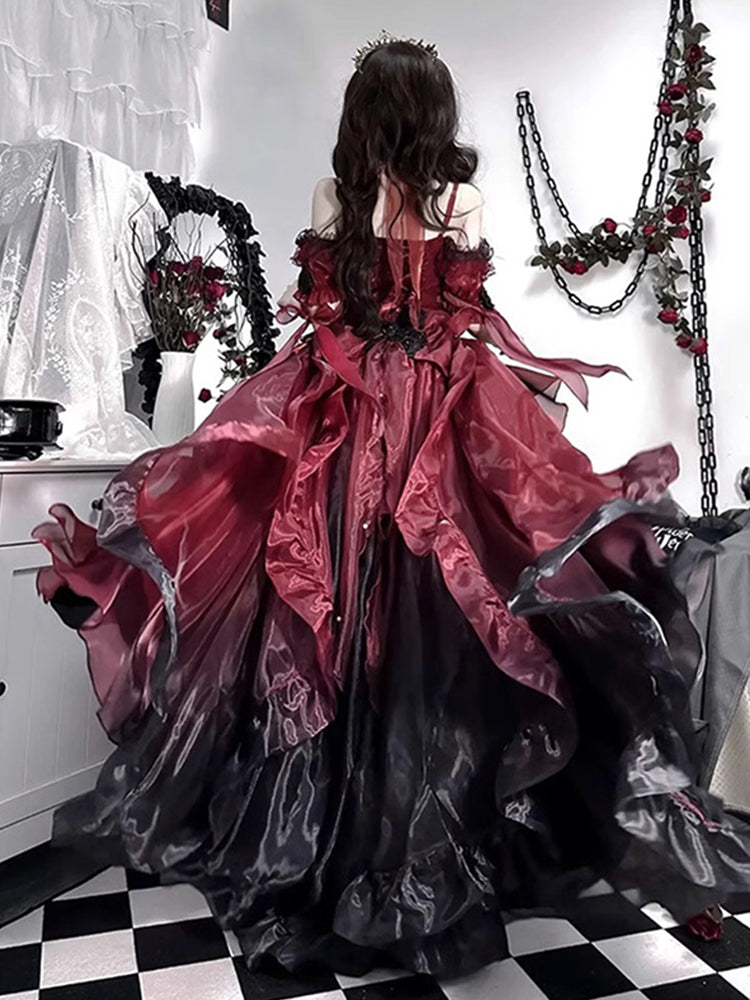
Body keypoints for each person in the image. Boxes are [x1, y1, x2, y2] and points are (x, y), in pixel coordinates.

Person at [33, 33, 750, 979]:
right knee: (398, 620)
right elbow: (442, 320)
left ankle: (364, 846)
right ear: (431, 111)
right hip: (398, 417)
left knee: (387, 617)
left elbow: (343, 311)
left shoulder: (353, 199)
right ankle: (387, 848)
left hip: (370, 420)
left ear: (365, 110)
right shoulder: (452, 202)